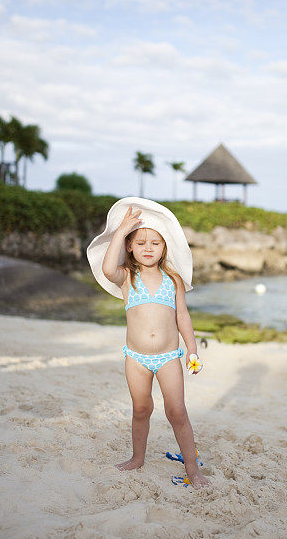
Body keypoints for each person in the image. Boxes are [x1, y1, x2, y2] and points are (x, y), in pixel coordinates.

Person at [86, 197, 211, 489]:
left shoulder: (174, 279)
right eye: (140, 242)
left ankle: (193, 469)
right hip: (136, 359)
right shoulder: (127, 277)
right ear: (129, 246)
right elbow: (107, 269)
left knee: (176, 410)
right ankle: (137, 458)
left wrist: (192, 348)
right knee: (141, 408)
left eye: (155, 243)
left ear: (165, 247)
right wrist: (120, 231)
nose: (148, 248)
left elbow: (182, 315)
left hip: (169, 357)